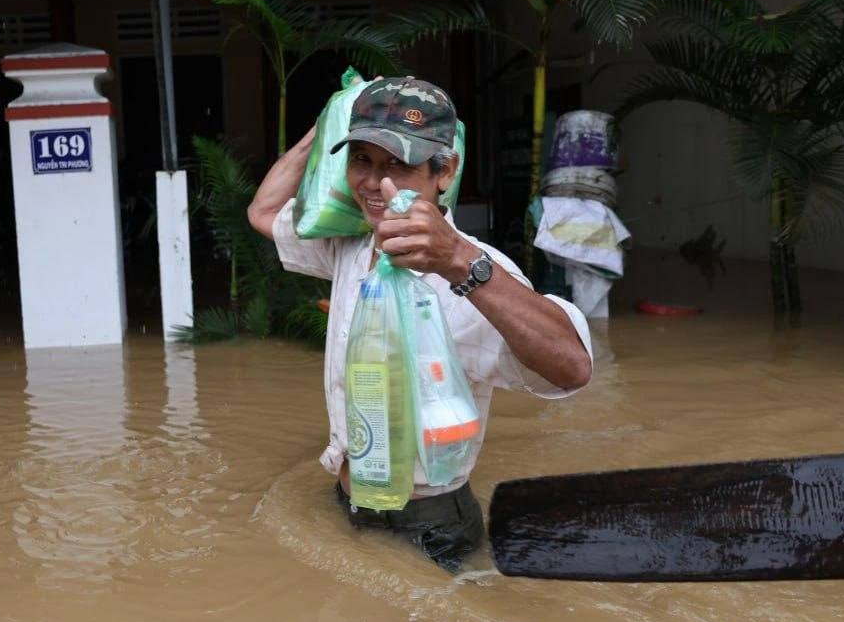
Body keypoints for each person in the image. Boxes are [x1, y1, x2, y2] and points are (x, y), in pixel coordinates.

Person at [247, 76, 594, 572]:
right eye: (361, 160)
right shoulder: (351, 246)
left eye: (398, 164)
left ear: (445, 171)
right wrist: (322, 129)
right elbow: (263, 212)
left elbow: (574, 368)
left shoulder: (478, 272)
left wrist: (457, 260)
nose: (373, 183)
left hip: (429, 526)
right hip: (350, 503)